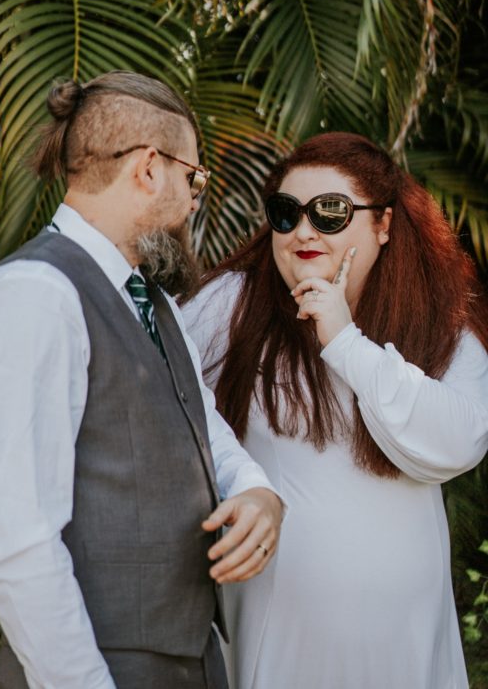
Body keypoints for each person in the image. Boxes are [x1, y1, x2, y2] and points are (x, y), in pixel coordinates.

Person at [0, 71, 285, 689]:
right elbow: (18, 540)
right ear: (149, 168)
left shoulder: (154, 301)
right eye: (194, 177)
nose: (198, 197)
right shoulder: (36, 293)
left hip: (191, 657)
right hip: (96, 664)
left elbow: (201, 424)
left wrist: (256, 490)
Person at [181, 132, 488, 689]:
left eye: (330, 212)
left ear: (384, 224)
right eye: (286, 212)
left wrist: (345, 340)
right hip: (276, 626)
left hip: (401, 636)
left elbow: (460, 442)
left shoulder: (441, 322)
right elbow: (164, 397)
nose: (304, 230)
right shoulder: (232, 304)